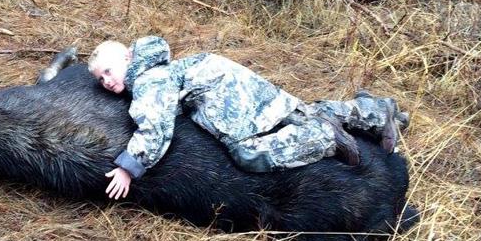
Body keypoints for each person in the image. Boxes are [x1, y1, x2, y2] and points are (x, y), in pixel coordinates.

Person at [87, 36, 409, 200]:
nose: (107, 82)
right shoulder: (160, 67)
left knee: (249, 153)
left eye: (108, 71)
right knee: (297, 112)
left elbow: (154, 127)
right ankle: (377, 113)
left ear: (128, 57)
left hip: (224, 96)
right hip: (243, 84)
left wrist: (129, 167)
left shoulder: (147, 81)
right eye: (101, 79)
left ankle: (322, 136)